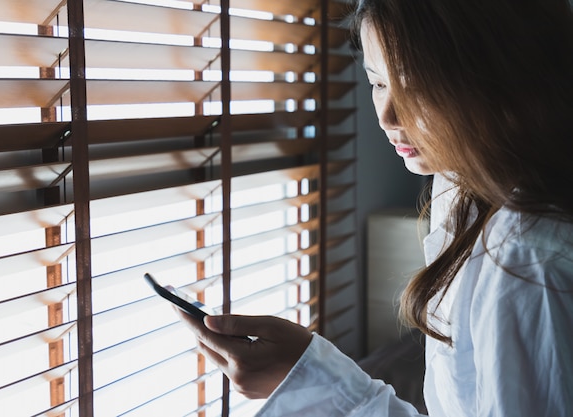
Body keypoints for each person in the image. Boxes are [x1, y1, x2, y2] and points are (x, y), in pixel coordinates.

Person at [177, 0, 573, 415]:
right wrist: (307, 374)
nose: (386, 116)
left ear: (505, 78)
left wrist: (318, 382)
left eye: (415, 86)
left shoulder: (528, 260)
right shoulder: (458, 185)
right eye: (378, 82)